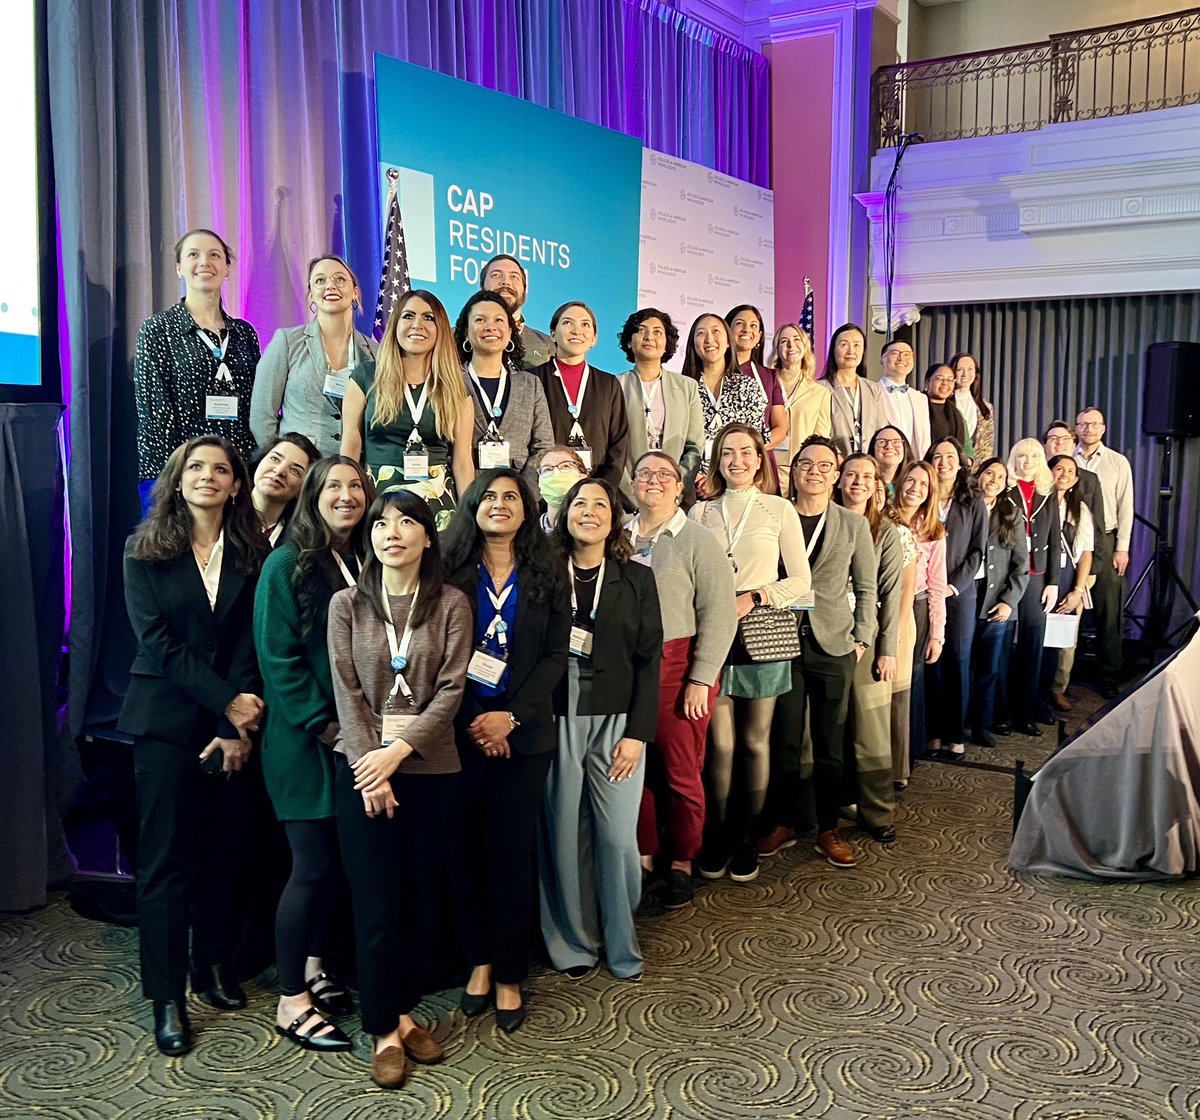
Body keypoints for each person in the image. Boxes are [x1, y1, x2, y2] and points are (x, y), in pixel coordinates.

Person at [119, 435, 268, 1056]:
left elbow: (253, 641)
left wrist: (236, 725)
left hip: (231, 727)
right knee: (165, 863)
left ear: (237, 485)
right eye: (196, 468)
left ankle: (211, 966)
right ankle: (168, 995)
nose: (208, 476)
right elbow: (160, 645)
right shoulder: (145, 550)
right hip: (165, 723)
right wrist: (226, 704)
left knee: (221, 852)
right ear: (177, 480)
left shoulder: (253, 551)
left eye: (222, 470)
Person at [327, 490, 473, 1088]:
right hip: (363, 772)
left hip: (430, 767)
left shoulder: (451, 604)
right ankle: (384, 1028)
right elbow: (347, 689)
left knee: (417, 900)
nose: (392, 532)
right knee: (376, 904)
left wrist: (398, 753)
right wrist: (371, 766)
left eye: (406, 522)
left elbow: (451, 689)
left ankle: (406, 1009)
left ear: (427, 537)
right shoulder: (347, 605)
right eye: (382, 522)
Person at [441, 469, 570, 1033]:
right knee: (465, 849)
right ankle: (480, 960)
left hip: (525, 734)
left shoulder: (548, 573)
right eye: (488, 496)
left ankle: (511, 973)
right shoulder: (448, 574)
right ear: (472, 507)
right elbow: (435, 654)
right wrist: (476, 719)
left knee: (511, 853)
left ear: (527, 509)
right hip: (460, 735)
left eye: (510, 497)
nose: (499, 504)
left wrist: (509, 718)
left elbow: (556, 655)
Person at [254, 456, 374, 1053]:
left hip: (352, 737)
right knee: (312, 866)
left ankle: (315, 964)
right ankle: (290, 1000)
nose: (347, 496)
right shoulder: (284, 564)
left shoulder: (365, 559)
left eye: (356, 486)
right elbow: (277, 661)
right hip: (306, 741)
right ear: (313, 495)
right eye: (334, 486)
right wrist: (326, 726)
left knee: (338, 863)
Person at [540, 477, 662, 980]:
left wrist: (638, 733)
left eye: (600, 505)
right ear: (565, 514)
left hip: (617, 722)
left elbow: (649, 659)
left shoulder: (636, 578)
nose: (588, 512)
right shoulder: (542, 575)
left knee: (616, 839)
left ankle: (620, 938)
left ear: (614, 518)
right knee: (564, 836)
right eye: (579, 503)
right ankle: (573, 943)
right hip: (556, 716)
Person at [689, 424, 812, 883]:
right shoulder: (700, 513)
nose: (737, 460)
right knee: (720, 744)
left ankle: (747, 835)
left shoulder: (778, 509)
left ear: (760, 459)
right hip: (714, 635)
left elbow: (802, 582)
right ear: (717, 461)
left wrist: (756, 596)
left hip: (762, 629)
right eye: (727, 453)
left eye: (746, 451)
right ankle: (718, 834)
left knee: (756, 740)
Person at [628, 452, 737, 910]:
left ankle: (682, 865)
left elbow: (720, 612)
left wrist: (701, 677)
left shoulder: (697, 539)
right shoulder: (617, 535)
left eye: (664, 475)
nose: (653, 481)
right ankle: (645, 859)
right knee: (633, 771)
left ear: (680, 487)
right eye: (644, 473)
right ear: (632, 484)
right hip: (626, 668)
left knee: (679, 771)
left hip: (679, 666)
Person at [763, 436, 877, 869]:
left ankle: (828, 828)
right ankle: (784, 821)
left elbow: (866, 588)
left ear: (836, 474)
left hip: (834, 644)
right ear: (793, 471)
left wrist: (862, 638)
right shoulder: (775, 516)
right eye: (805, 463)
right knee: (784, 738)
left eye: (824, 465)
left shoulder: (853, 524)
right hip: (782, 640)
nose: (814, 471)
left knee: (831, 743)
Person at [134, 229, 261, 508]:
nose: (205, 262)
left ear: (227, 269)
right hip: (178, 477)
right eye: (194, 255)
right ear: (180, 268)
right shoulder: (159, 329)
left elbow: (257, 407)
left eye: (215, 255)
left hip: (237, 477)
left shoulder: (244, 334)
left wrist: (249, 473)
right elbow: (155, 417)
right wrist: (180, 477)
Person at [342, 289, 475, 531]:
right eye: (408, 316)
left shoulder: (456, 388)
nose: (417, 325)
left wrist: (470, 521)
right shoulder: (366, 377)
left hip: (438, 509)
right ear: (395, 324)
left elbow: (463, 461)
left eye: (428, 318)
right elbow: (350, 445)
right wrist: (346, 494)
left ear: (441, 329)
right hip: (378, 502)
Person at [834, 453, 908, 826]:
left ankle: (878, 813)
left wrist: (887, 650)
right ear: (839, 479)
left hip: (868, 638)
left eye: (866, 476)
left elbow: (891, 595)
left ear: (877, 485)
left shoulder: (886, 532)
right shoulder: (825, 521)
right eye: (850, 474)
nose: (858, 482)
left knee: (869, 730)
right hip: (825, 635)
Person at [250, 255, 378, 457]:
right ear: (311, 295)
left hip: (353, 471)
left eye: (340, 279)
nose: (330, 286)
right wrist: (284, 460)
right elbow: (261, 415)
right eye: (320, 280)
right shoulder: (286, 342)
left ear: (355, 292)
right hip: (300, 471)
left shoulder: (375, 353)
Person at [926, 438, 987, 761]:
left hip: (960, 594)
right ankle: (933, 733)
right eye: (937, 456)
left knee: (958, 662)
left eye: (950, 456)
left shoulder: (972, 499)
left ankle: (955, 735)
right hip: (926, 592)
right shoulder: (923, 493)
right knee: (932, 662)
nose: (943, 461)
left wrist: (953, 586)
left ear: (961, 463)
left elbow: (978, 550)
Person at [455, 291, 555, 490]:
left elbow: (543, 448)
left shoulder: (530, 384)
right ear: (466, 331)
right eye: (480, 320)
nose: (490, 327)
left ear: (510, 331)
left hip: (519, 500)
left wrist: (522, 497)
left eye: (499, 320)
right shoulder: (450, 381)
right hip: (464, 496)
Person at [530, 301, 630, 491]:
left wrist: (602, 489)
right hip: (546, 489)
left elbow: (619, 442)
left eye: (585, 324)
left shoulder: (608, 384)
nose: (577, 330)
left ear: (594, 338)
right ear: (553, 334)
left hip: (597, 489)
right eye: (567, 323)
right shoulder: (533, 380)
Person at [616, 309, 705, 504]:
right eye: (641, 330)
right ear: (629, 342)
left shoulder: (687, 387)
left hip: (676, 498)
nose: (649, 337)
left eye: (657, 332)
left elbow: (694, 447)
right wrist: (630, 493)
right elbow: (611, 448)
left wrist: (675, 488)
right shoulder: (615, 385)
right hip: (627, 499)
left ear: (667, 344)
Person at [1074, 406, 1133, 697]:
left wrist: (1122, 548)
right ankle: (1061, 676)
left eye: (1094, 424)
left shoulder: (1117, 462)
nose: (1088, 430)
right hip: (1072, 542)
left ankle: (1109, 674)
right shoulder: (1065, 460)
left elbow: (1126, 507)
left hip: (1107, 541)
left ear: (1104, 428)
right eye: (1083, 424)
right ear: (1076, 428)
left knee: (1108, 611)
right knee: (1068, 607)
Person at [968, 458, 1028, 747]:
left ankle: (982, 724)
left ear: (1006, 484)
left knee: (988, 667)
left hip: (996, 600)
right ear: (978, 475)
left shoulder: (1012, 515)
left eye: (1000, 476)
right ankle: (956, 722)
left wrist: (1009, 602)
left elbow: (1021, 566)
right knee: (960, 663)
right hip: (965, 594)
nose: (993, 479)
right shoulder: (963, 506)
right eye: (989, 472)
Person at [681, 314, 776, 493]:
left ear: (728, 341)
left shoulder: (748, 386)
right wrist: (697, 477)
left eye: (716, 331)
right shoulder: (682, 388)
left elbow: (754, 440)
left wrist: (716, 480)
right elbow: (677, 442)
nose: (709, 339)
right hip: (691, 485)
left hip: (737, 480)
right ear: (693, 344)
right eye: (701, 333)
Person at [891, 460, 946, 764]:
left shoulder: (934, 531)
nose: (915, 488)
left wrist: (937, 635)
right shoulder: (882, 517)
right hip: (883, 603)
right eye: (911, 481)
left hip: (917, 606)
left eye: (923, 484)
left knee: (910, 681)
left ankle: (906, 755)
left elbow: (938, 585)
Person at [1006, 439, 1061, 735]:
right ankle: (1001, 710)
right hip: (1006, 576)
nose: (1028, 461)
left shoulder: (1047, 492)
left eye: (1034, 456)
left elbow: (1055, 538)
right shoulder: (1005, 489)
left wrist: (1053, 582)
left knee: (1032, 646)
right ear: (1013, 458)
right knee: (1003, 648)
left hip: (1037, 576)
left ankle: (1025, 712)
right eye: (1022, 455)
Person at [1046, 455, 1095, 713]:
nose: (1063, 474)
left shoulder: (1080, 509)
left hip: (1068, 580)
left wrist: (1078, 590)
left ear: (1076, 479)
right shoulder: (1038, 504)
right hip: (1039, 579)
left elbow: (1086, 552)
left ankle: (1057, 689)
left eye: (1070, 471)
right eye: (1058, 468)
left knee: (1063, 640)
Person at [725, 304, 789, 473]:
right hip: (724, 464)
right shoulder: (713, 374)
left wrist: (752, 451)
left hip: (762, 464)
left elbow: (780, 428)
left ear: (759, 335)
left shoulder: (769, 376)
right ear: (727, 330)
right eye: (739, 324)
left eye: (753, 325)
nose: (747, 330)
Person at [770, 323, 831, 498]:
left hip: (800, 471)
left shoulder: (820, 393)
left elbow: (820, 439)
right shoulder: (766, 383)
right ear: (777, 349)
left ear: (805, 347)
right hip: (768, 467)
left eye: (796, 340)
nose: (791, 346)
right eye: (784, 341)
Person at [818, 323, 888, 458]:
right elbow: (820, 433)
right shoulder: (821, 388)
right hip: (836, 462)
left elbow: (881, 429)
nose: (851, 351)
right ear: (833, 349)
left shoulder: (874, 389)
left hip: (868, 462)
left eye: (857, 345)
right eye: (844, 344)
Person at [480, 253, 553, 368]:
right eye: (496, 275)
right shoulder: (451, 339)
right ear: (481, 287)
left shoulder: (549, 346)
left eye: (514, 277)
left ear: (524, 290)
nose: (505, 282)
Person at [248, 433, 320, 546]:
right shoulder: (223, 515)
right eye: (275, 459)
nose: (280, 471)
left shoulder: (303, 540)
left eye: (295, 471)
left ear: (303, 488)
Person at [878, 338, 931, 458]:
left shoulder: (920, 398)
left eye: (907, 354)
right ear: (882, 360)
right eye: (895, 353)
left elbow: (924, 441)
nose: (901, 358)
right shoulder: (872, 392)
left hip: (913, 464)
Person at [950, 351, 994, 463]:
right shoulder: (945, 403)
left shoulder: (985, 407)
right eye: (960, 369)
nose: (965, 374)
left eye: (970, 369)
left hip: (975, 469)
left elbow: (986, 446)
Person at [534, 446, 589, 531]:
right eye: (547, 469)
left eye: (565, 466)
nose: (556, 473)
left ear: (582, 476)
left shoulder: (594, 529)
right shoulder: (526, 534)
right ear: (539, 481)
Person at [923, 363, 966, 448]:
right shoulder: (916, 406)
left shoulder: (955, 413)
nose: (945, 383)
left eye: (950, 380)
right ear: (928, 382)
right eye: (939, 378)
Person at [869, 425, 915, 499]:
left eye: (896, 442)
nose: (889, 446)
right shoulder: (866, 483)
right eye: (882, 442)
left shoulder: (914, 484)